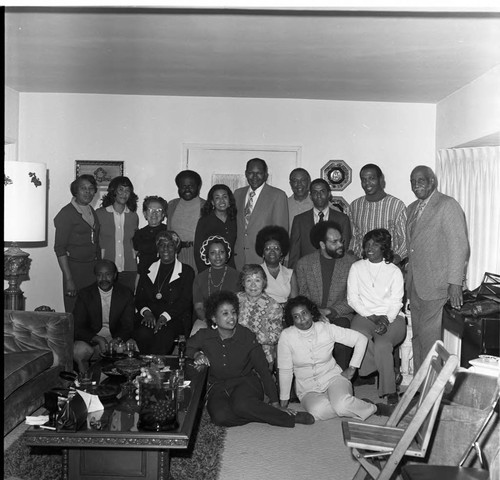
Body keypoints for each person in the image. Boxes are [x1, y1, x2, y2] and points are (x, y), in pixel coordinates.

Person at [187, 290, 315, 427]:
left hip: (246, 383)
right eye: (225, 313)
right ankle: (262, 413)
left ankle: (286, 417)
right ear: (213, 317)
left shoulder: (246, 336)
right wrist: (197, 354)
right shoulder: (204, 335)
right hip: (217, 386)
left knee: (241, 406)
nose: (231, 317)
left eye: (234, 312)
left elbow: (263, 370)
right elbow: (187, 347)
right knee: (220, 418)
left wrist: (275, 402)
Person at [278, 296, 392, 420]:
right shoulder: (287, 336)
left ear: (311, 313)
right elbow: (285, 370)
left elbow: (360, 339)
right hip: (307, 388)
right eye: (296, 316)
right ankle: (353, 404)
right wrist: (283, 404)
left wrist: (352, 368)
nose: (301, 319)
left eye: (304, 313)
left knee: (342, 406)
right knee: (319, 411)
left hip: (333, 378)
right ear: (292, 320)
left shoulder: (326, 328)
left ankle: (374, 408)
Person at [406, 166, 469, 371]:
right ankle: (419, 386)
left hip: (437, 285)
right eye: (413, 181)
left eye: (421, 181)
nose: (416, 185)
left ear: (432, 181)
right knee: (417, 337)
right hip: (415, 285)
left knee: (431, 341)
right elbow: (414, 247)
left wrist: (455, 283)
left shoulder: (447, 205)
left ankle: (432, 391)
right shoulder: (412, 208)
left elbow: (459, 246)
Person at [347, 229, 406, 405]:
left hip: (393, 316)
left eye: (375, 244)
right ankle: (385, 368)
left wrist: (386, 320)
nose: (369, 248)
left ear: (384, 247)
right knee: (358, 336)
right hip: (365, 315)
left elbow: (396, 301)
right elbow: (352, 299)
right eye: (367, 244)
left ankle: (390, 391)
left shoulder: (394, 271)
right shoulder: (356, 267)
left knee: (382, 344)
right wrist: (373, 318)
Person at [295, 221, 357, 370]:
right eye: (334, 242)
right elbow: (303, 296)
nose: (340, 245)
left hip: (340, 315)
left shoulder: (352, 263)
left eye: (341, 240)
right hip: (312, 315)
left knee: (343, 341)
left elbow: (353, 299)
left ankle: (341, 383)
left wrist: (329, 311)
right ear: (322, 245)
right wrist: (316, 313)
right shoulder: (304, 264)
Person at [132, 231, 195, 354]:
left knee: (164, 334)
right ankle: (148, 366)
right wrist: (146, 312)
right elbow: (139, 297)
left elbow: (185, 301)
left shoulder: (187, 271)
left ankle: (157, 368)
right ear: (158, 248)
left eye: (170, 245)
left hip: (174, 317)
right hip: (150, 316)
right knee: (142, 332)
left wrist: (164, 316)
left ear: (176, 248)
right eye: (162, 245)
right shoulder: (147, 269)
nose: (166, 248)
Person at [73, 259, 135, 372]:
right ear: (95, 276)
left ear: (115, 275)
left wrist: (117, 340)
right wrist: (97, 339)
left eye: (108, 275)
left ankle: (123, 382)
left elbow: (128, 325)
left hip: (115, 337)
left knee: (131, 346)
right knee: (78, 351)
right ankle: (85, 381)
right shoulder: (85, 294)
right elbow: (78, 327)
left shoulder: (126, 293)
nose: (104, 279)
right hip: (91, 340)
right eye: (99, 275)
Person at [54, 174, 101, 313]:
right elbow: (59, 248)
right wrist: (69, 279)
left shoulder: (91, 210)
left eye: (91, 188)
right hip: (75, 270)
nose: (88, 192)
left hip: (92, 269)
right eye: (83, 188)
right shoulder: (66, 213)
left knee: (90, 311)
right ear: (75, 191)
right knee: (74, 311)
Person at [234, 158, 289, 270]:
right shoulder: (237, 194)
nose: (254, 177)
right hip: (238, 258)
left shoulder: (278, 195)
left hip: (265, 258)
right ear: (245, 174)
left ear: (265, 175)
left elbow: (281, 232)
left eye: (259, 173)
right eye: (251, 173)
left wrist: (278, 258)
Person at [348, 164, 408, 264]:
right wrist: (352, 257)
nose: (367, 183)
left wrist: (394, 260)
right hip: (362, 265)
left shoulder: (396, 206)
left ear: (381, 180)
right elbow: (354, 238)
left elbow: (404, 240)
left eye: (371, 178)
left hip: (388, 265)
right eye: (363, 179)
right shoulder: (354, 206)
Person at [289, 178, 352, 269]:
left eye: (322, 191)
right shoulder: (299, 220)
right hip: (306, 271)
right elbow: (294, 253)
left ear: (329, 194)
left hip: (334, 270)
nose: (319, 195)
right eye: (315, 192)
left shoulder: (342, 219)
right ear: (310, 196)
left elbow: (344, 250)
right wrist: (293, 276)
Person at [96, 176, 139, 293]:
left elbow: (135, 241)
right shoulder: (99, 214)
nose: (124, 194)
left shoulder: (133, 216)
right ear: (113, 191)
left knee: (127, 302)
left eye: (127, 191)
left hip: (129, 268)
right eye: (120, 189)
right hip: (106, 268)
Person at [191, 235, 240, 336]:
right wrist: (209, 321)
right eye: (213, 253)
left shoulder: (237, 276)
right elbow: (199, 307)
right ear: (207, 256)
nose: (217, 256)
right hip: (206, 320)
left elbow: (239, 305)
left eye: (221, 252)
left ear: (227, 255)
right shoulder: (199, 278)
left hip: (231, 319)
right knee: (196, 334)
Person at [237, 264, 284, 368]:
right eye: (249, 280)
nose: (253, 285)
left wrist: (253, 338)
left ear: (264, 283)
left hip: (262, 354)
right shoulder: (236, 300)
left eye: (257, 280)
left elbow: (276, 335)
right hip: (235, 352)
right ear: (243, 283)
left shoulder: (273, 306)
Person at [167, 170, 205, 275]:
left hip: (197, 254)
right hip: (175, 254)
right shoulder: (171, 205)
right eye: (183, 186)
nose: (187, 189)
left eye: (191, 186)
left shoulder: (207, 206)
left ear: (198, 187)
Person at [194, 184, 237, 273]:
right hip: (210, 269)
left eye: (225, 197)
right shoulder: (204, 221)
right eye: (217, 198)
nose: (222, 200)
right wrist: (204, 273)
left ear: (229, 201)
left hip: (231, 268)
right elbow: (198, 250)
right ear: (212, 202)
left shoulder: (234, 219)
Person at [255, 225, 298, 304]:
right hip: (261, 313)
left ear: (281, 252)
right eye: (267, 248)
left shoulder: (290, 274)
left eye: (276, 248)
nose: (272, 251)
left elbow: (294, 303)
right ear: (263, 253)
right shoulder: (255, 272)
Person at [132, 195, 168, 275]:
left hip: (163, 273)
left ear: (163, 214)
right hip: (144, 273)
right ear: (145, 214)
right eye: (150, 210)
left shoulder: (168, 232)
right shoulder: (139, 234)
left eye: (159, 210)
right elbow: (135, 255)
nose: (154, 213)